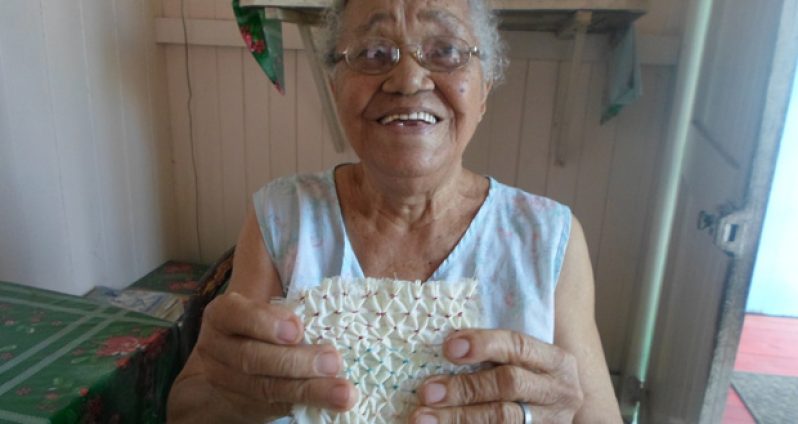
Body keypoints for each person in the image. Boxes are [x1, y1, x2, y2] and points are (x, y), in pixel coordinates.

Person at [167, 0, 622, 422]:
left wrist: (560, 415)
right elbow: (185, 410)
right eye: (372, 51)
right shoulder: (284, 216)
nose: (407, 81)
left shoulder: (546, 237)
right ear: (336, 88)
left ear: (484, 89)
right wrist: (229, 395)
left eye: (445, 50)